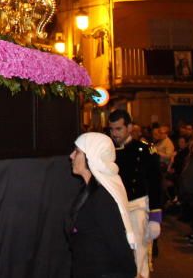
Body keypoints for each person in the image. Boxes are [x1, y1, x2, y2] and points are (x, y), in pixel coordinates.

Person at [67, 132, 137, 278]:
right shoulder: (87, 191)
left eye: (77, 152)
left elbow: (117, 242)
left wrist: (132, 273)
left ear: (91, 156)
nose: (71, 156)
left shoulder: (102, 197)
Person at [108, 109, 163, 277]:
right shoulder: (107, 150)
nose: (114, 133)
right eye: (111, 129)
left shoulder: (145, 150)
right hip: (115, 208)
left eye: (119, 129)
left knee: (139, 250)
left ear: (129, 127)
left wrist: (155, 216)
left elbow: (155, 182)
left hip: (137, 206)